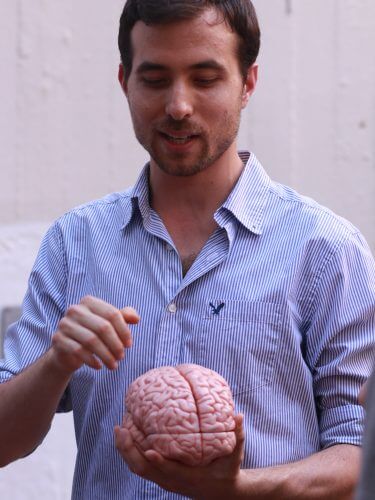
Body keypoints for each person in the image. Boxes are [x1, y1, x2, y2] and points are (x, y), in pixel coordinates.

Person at [0, 1, 374, 498]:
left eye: (205, 78)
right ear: (124, 81)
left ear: (248, 83)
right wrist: (54, 364)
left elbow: (359, 452)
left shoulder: (326, 249)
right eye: (154, 79)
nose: (178, 105)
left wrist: (238, 487)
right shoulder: (76, 242)